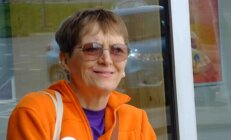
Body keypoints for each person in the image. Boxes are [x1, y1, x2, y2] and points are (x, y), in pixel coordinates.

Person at [7, 8, 157, 140]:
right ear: (65, 60)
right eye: (92, 49)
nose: (107, 60)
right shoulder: (35, 113)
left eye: (117, 50)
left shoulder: (137, 121)